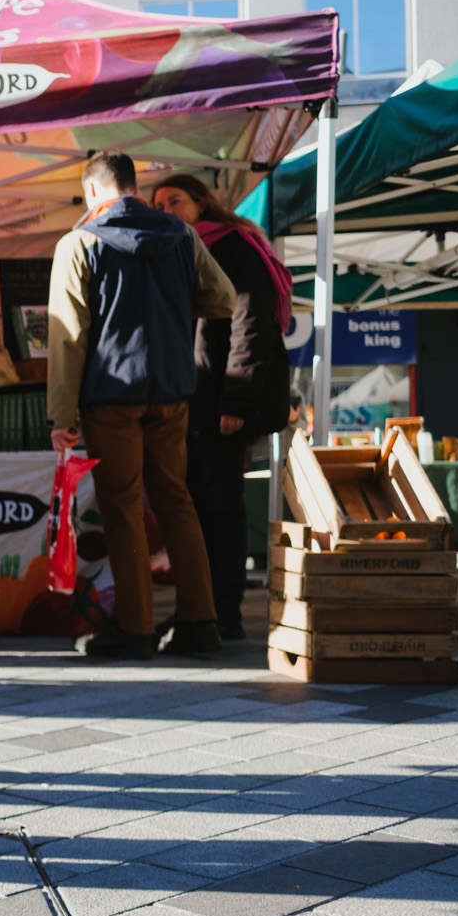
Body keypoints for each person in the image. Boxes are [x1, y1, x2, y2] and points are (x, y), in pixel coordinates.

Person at [47, 152, 237, 660]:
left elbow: (68, 337)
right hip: (172, 393)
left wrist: (61, 417)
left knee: (124, 509)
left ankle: (134, 629)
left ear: (92, 192)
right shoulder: (181, 235)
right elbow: (223, 299)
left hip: (110, 397)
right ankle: (201, 623)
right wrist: (169, 307)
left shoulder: (79, 242)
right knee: (177, 501)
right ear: (133, 186)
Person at [149, 173, 293, 641]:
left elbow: (251, 327)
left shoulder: (234, 246)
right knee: (192, 506)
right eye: (159, 203)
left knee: (220, 505)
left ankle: (223, 612)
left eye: (176, 200)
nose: (166, 209)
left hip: (219, 402)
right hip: (185, 400)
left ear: (202, 203)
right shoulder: (175, 253)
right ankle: (199, 610)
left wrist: (236, 399)